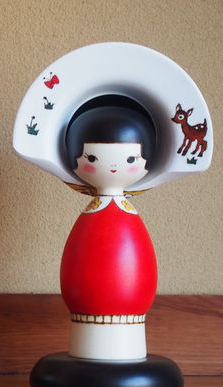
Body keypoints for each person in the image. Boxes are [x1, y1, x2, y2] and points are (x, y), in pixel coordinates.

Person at [61, 105, 158, 360]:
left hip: (133, 315)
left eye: (130, 160)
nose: (114, 167)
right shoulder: (94, 215)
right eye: (92, 158)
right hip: (83, 312)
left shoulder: (125, 217)